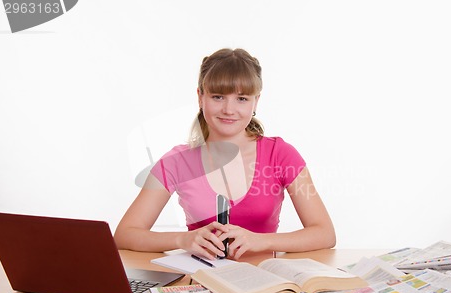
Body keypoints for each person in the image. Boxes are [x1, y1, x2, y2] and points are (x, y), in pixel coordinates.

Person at [114, 48, 336, 260]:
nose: (229, 109)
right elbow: (125, 234)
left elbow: (324, 233)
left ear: (255, 101)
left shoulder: (280, 154)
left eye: (241, 98)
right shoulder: (177, 162)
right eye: (218, 96)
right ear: (200, 97)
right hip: (200, 279)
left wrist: (262, 241)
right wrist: (183, 239)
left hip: (265, 280)